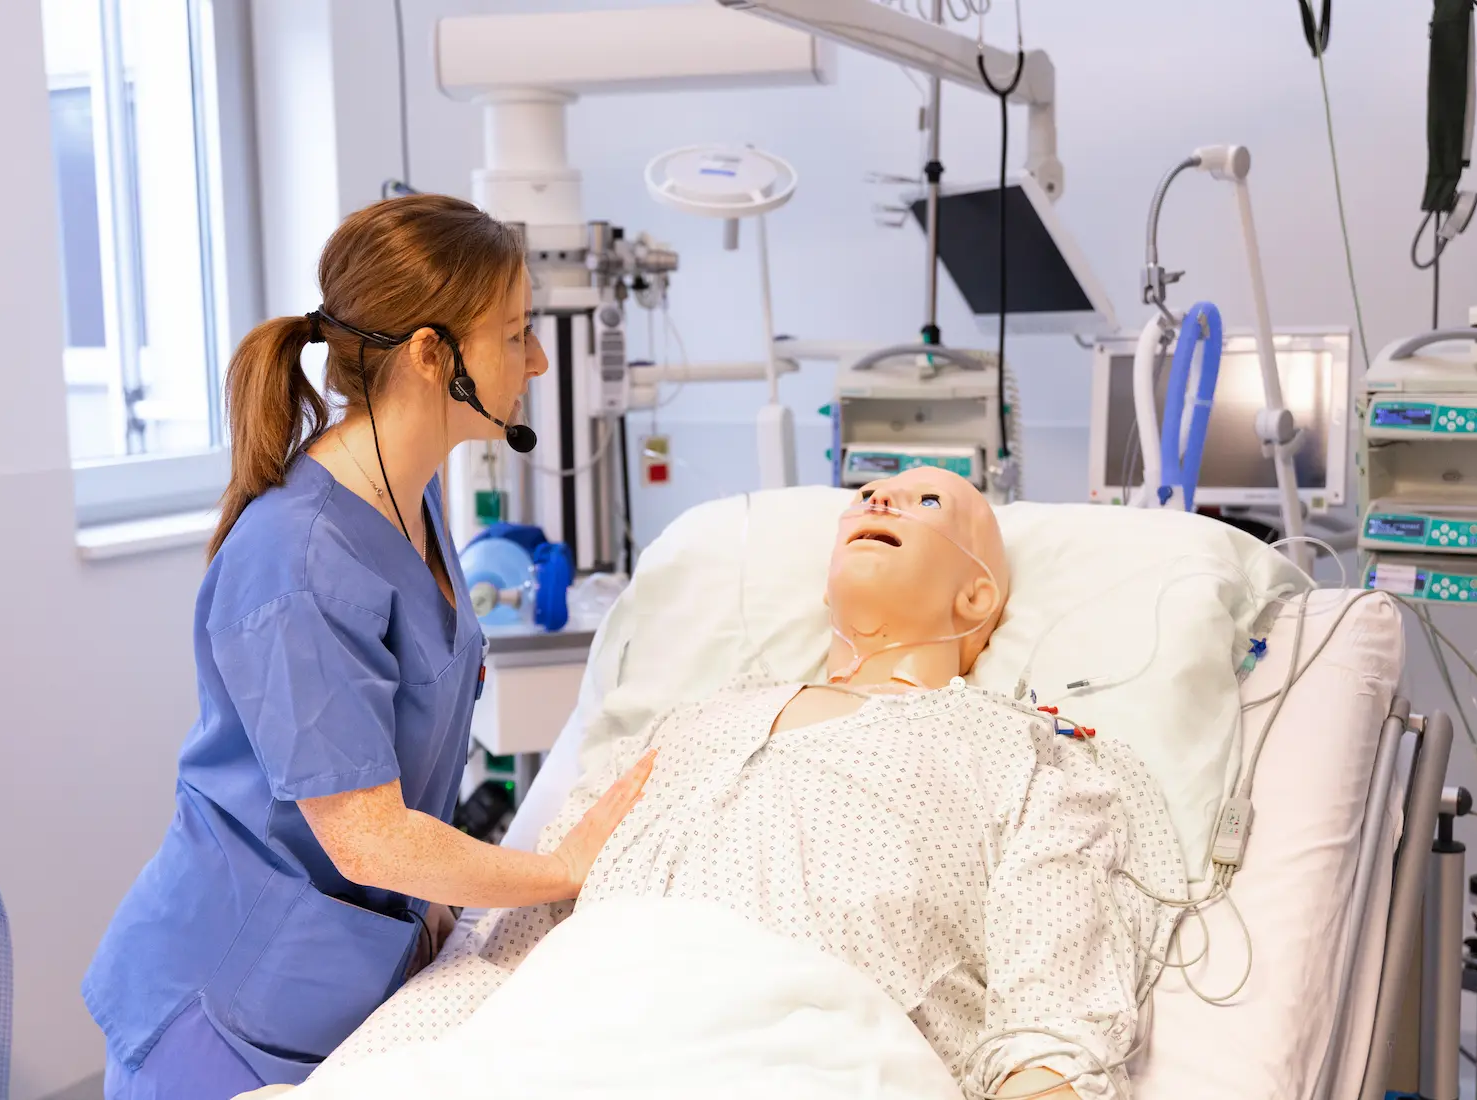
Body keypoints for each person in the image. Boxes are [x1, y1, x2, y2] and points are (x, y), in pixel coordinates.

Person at [313, 467, 1185, 1100]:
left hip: (812, 1052)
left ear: (974, 601)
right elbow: (505, 952)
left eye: (928, 503)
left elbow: (1051, 1024)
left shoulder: (1026, 758)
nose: (879, 500)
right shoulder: (689, 725)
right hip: (570, 1028)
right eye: (867, 496)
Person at [82, 194, 655, 1100]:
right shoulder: (296, 557)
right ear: (433, 356)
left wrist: (429, 906)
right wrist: (558, 870)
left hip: (336, 984)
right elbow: (366, 838)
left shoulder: (410, 498)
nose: (537, 359)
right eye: (514, 335)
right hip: (226, 1010)